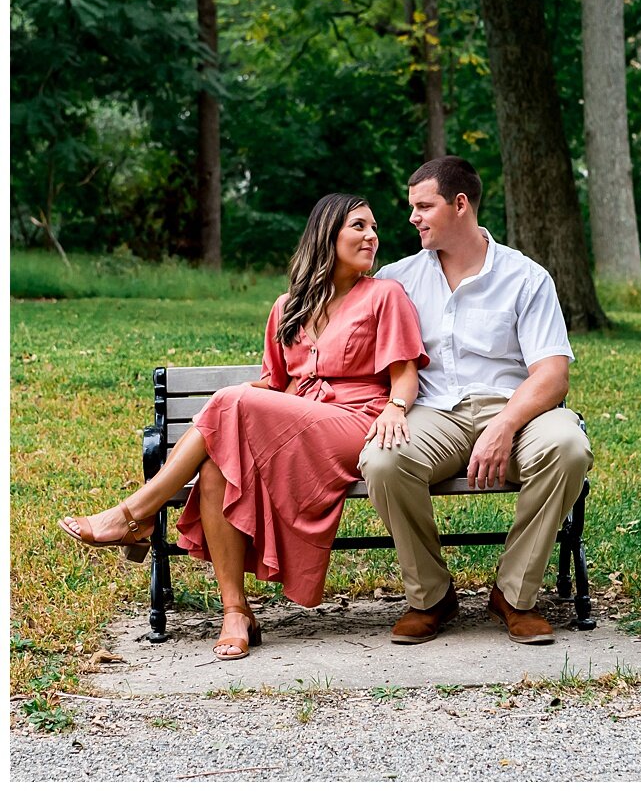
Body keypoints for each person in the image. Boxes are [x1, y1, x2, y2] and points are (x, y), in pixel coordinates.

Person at [60, 194, 427, 660]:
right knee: (216, 467)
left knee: (228, 400)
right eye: (358, 226)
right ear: (326, 235)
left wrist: (397, 407)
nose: (372, 236)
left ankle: (137, 513)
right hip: (295, 426)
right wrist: (237, 406)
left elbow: (404, 376)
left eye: (374, 227)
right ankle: (235, 612)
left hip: (358, 424)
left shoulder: (385, 295)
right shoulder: (287, 306)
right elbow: (276, 383)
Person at [360, 156, 592, 646]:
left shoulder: (526, 277)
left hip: (516, 411)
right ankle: (430, 596)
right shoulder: (398, 279)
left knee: (568, 446)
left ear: (460, 204)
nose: (413, 217)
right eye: (412, 207)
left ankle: (513, 595)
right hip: (432, 413)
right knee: (382, 460)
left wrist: (505, 425)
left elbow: (552, 375)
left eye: (424, 206)